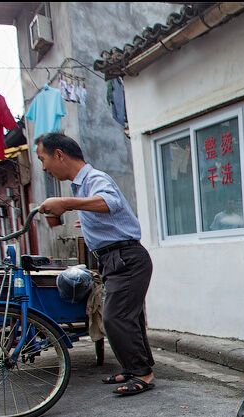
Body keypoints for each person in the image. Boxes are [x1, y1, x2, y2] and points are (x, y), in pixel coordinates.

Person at [34, 132, 156, 397]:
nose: (43, 167)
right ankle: (135, 368)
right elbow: (107, 211)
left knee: (115, 318)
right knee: (128, 317)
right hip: (115, 259)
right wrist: (89, 222)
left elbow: (109, 202)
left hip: (127, 259)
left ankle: (143, 374)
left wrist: (65, 204)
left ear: (59, 154)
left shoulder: (94, 179)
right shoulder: (81, 186)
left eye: (43, 159)